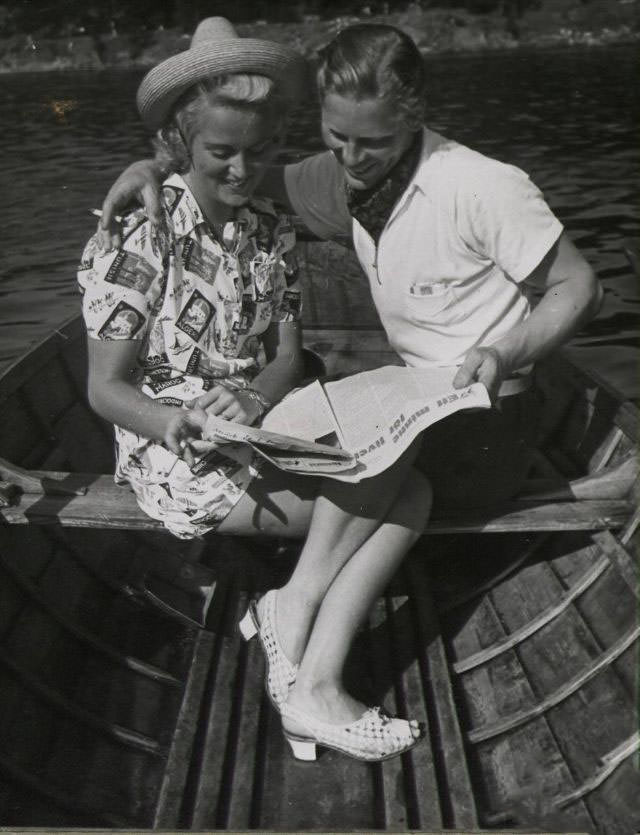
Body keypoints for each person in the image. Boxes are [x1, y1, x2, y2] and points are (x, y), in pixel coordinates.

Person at [79, 17, 427, 764]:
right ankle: (313, 674)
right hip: (175, 452)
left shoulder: (269, 227)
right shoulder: (144, 231)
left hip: (259, 429)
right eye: (221, 154)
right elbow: (106, 389)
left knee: (410, 473)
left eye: (259, 152)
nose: (242, 171)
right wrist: (175, 421)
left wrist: (258, 400)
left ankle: (294, 628)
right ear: (177, 145)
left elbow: (285, 356)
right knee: (400, 489)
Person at [100, 21, 602, 512]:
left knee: (350, 487)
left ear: (414, 115)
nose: (354, 159)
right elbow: (231, 170)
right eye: (337, 135)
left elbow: (579, 285)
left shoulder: (482, 185)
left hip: (489, 417)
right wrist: (152, 166)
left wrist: (502, 353)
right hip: (417, 407)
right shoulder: (336, 175)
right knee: (331, 463)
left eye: (375, 142)